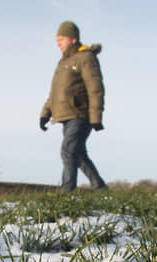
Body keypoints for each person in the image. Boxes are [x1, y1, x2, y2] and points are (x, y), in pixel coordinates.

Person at [40, 21, 108, 192]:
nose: (58, 43)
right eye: (57, 40)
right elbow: (55, 93)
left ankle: (67, 192)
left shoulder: (86, 57)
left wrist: (96, 117)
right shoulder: (63, 62)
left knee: (68, 151)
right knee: (78, 155)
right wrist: (45, 113)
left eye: (61, 39)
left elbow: (95, 88)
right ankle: (100, 188)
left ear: (73, 38)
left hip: (80, 114)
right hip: (66, 115)